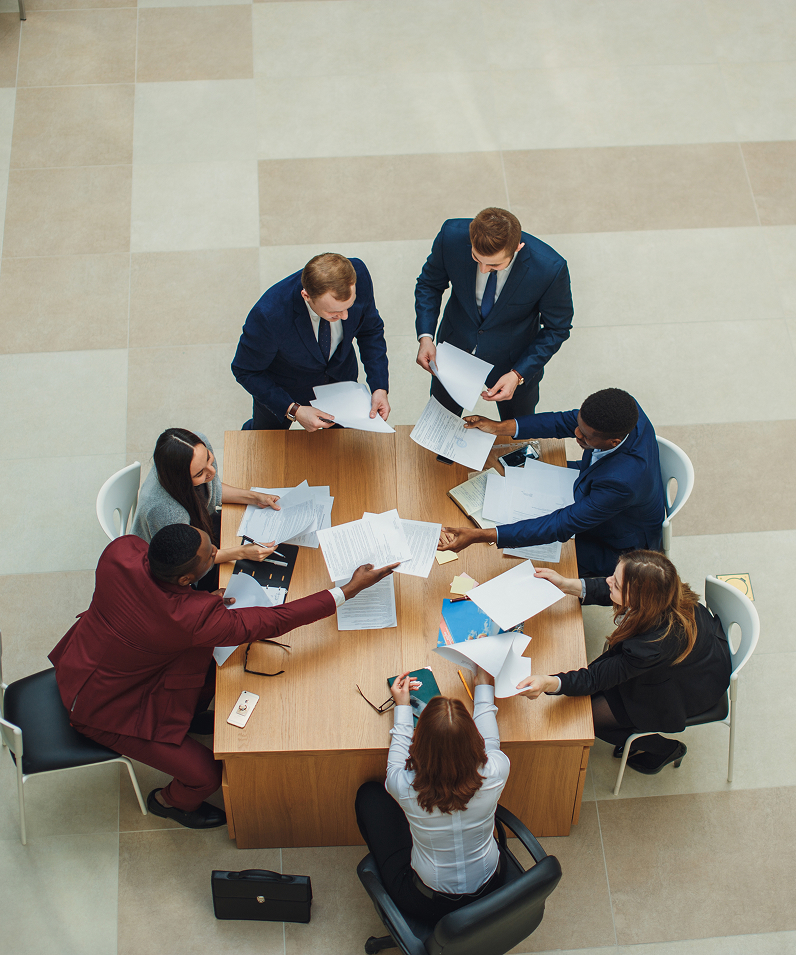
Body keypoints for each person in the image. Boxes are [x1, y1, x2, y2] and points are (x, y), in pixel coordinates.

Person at [49, 524, 397, 829]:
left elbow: (157, 599)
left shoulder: (120, 551)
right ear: (186, 579)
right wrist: (348, 590)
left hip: (86, 660)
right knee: (204, 774)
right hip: (99, 709)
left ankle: (187, 718)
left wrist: (189, 600)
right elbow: (274, 620)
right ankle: (171, 803)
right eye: (210, 553)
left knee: (202, 661)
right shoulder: (191, 617)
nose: (216, 552)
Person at [516, 551, 732, 775]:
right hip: (691, 661)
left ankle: (667, 749)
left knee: (591, 718)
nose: (609, 581)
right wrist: (566, 584)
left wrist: (548, 682)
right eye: (613, 576)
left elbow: (594, 678)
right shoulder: (664, 590)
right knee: (593, 698)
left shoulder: (649, 646)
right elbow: (610, 590)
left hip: (687, 687)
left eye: (617, 584)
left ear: (640, 600)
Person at [438, 388, 665, 577]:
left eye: (584, 437)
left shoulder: (623, 482)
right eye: (579, 425)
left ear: (613, 441)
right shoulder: (623, 412)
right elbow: (561, 421)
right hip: (597, 484)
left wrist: (481, 535)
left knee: (520, 567)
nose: (576, 433)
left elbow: (562, 525)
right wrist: (499, 427)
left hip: (617, 543)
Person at [355, 667, 510, 923]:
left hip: (429, 902)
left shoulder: (403, 785)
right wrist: (483, 684)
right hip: (492, 886)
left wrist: (402, 705)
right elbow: (491, 741)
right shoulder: (496, 771)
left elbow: (397, 754)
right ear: (474, 738)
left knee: (369, 797)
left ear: (421, 742)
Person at [415, 207, 573, 418]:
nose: (482, 269)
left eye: (494, 265)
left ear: (518, 248)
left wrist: (518, 375)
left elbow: (557, 328)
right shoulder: (450, 236)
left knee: (516, 427)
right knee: (442, 419)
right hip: (455, 348)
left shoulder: (550, 269)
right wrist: (426, 337)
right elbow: (429, 285)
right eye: (476, 258)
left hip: (513, 359)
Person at [232, 252, 390, 431]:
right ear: (306, 296)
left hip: (340, 381)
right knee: (266, 441)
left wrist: (379, 386)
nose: (345, 317)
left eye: (349, 307)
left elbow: (370, 330)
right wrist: (294, 410)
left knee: (340, 447)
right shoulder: (269, 315)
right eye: (334, 313)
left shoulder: (358, 275)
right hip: (285, 388)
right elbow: (245, 370)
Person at [132, 428, 279, 592]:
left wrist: (255, 497)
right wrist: (242, 553)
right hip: (179, 563)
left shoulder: (198, 447)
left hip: (201, 530)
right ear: (181, 480)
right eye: (200, 473)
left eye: (209, 459)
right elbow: (192, 562)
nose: (212, 471)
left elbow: (213, 491)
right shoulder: (165, 511)